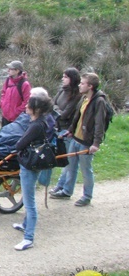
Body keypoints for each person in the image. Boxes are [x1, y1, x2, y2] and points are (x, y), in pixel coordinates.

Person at [49, 73, 108, 206]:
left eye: (82, 83)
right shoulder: (84, 98)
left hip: (86, 142)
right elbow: (77, 117)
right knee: (71, 167)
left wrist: (96, 143)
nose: (80, 85)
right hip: (76, 138)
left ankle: (87, 196)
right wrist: (70, 131)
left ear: (90, 86)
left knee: (86, 170)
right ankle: (67, 191)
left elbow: (100, 124)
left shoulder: (99, 102)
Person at [11, 94, 54, 251]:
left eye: (29, 105)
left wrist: (17, 145)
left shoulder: (36, 125)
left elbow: (21, 143)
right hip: (30, 164)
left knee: (29, 203)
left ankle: (29, 237)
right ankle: (24, 224)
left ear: (36, 109)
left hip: (29, 167)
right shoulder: (39, 122)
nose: (26, 106)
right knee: (28, 197)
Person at [48, 68, 82, 196]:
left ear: (72, 79)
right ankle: (60, 186)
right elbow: (52, 105)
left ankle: (67, 190)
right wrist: (57, 109)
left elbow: (64, 114)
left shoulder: (77, 95)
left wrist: (56, 110)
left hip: (67, 131)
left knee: (70, 163)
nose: (63, 79)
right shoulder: (62, 90)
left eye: (66, 77)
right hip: (57, 129)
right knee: (63, 160)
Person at [0, 60, 31, 127]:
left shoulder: (25, 84)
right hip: (5, 117)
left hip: (17, 119)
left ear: (17, 71)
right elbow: (3, 93)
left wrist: (16, 112)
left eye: (11, 69)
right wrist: (2, 104)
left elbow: (27, 102)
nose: (8, 71)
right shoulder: (8, 80)